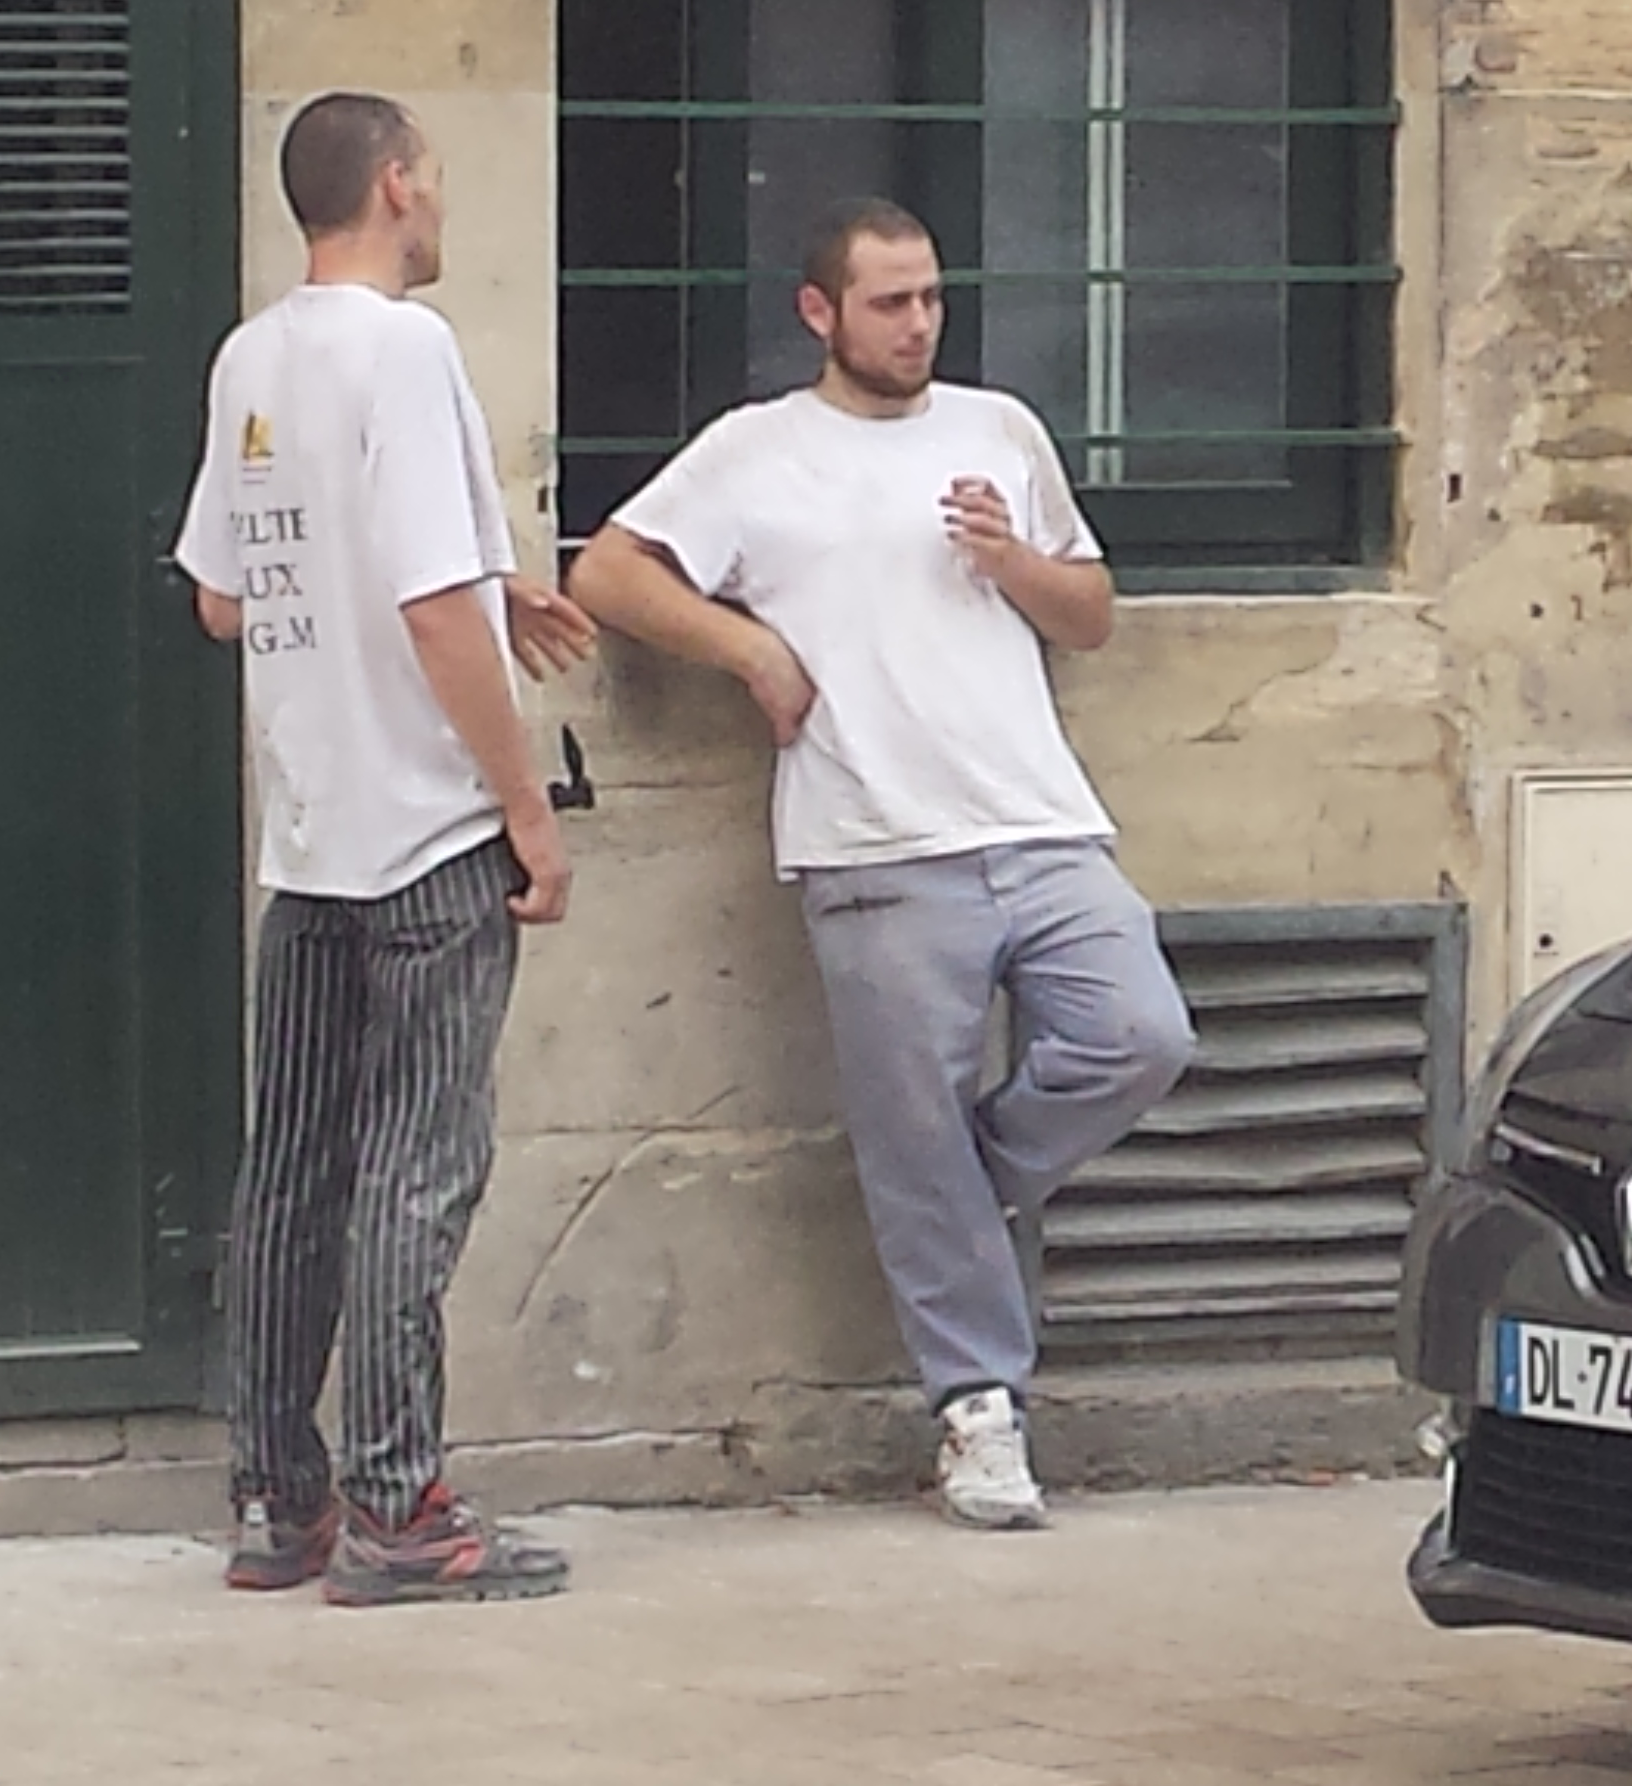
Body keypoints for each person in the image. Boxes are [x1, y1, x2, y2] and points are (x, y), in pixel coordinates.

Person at [567, 196, 1195, 1530]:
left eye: (931, 299)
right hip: (873, 842)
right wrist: (748, 649)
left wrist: (1012, 559)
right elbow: (608, 574)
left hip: (1039, 821)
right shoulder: (756, 451)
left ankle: (955, 1197)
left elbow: (1091, 613)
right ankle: (979, 1412)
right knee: (913, 1134)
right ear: (821, 313)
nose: (918, 325)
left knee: (1140, 1034)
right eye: (890, 303)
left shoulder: (998, 428)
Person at [172, 91, 596, 1605]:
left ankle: (275, 1496)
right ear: (399, 183)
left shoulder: (251, 356)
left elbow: (224, 597)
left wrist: (487, 582)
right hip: (426, 833)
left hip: (308, 833)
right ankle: (401, 1502)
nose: (442, 202)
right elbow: (424, 605)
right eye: (437, 176)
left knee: (292, 1170)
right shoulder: (408, 350)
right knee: (420, 1168)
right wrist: (526, 805)